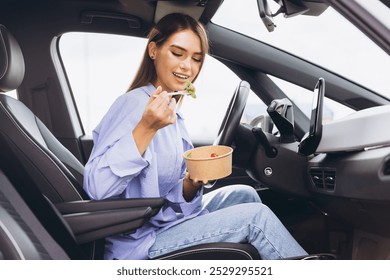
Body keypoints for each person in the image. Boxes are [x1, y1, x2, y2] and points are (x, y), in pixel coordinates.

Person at [83, 12, 308, 260]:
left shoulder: (171, 110)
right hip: (140, 241)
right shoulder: (134, 106)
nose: (187, 67)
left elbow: (166, 197)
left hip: (162, 221)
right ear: (153, 51)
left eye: (196, 59)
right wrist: (145, 128)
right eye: (177, 54)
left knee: (244, 194)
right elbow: (97, 189)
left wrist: (191, 182)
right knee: (256, 218)